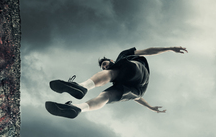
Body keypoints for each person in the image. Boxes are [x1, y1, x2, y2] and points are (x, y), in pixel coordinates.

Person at [45, 46, 188, 119]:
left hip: (137, 70)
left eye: (106, 63)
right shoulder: (117, 79)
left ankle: (82, 86)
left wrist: (169, 48)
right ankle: (78, 108)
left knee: (113, 73)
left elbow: (148, 51)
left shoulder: (123, 56)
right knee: (106, 96)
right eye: (103, 67)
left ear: (112, 60)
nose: (105, 66)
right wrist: (150, 107)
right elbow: (136, 97)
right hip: (136, 89)